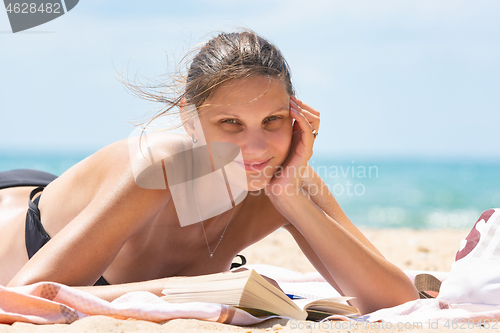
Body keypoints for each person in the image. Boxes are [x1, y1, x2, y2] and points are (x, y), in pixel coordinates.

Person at [0, 30, 418, 314]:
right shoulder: (162, 168)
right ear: (190, 120)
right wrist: (173, 291)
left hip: (74, 200)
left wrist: (291, 199)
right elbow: (18, 298)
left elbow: (395, 299)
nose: (255, 148)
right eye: (230, 124)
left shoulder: (287, 177)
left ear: (297, 116)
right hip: (13, 210)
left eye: (272, 120)